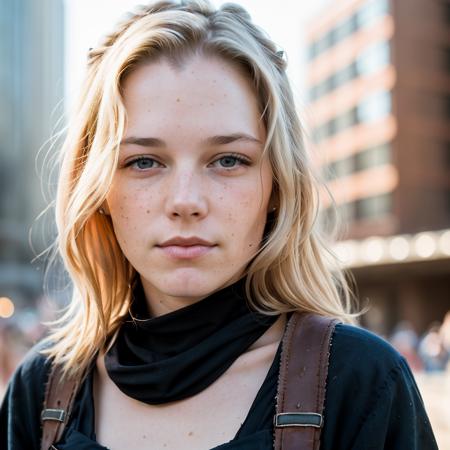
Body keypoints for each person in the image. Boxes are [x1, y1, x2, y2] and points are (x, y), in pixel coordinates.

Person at [0, 1, 438, 449]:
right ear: (99, 189)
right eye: (144, 161)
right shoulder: (39, 392)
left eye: (229, 160)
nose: (185, 201)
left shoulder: (362, 383)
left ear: (277, 186)